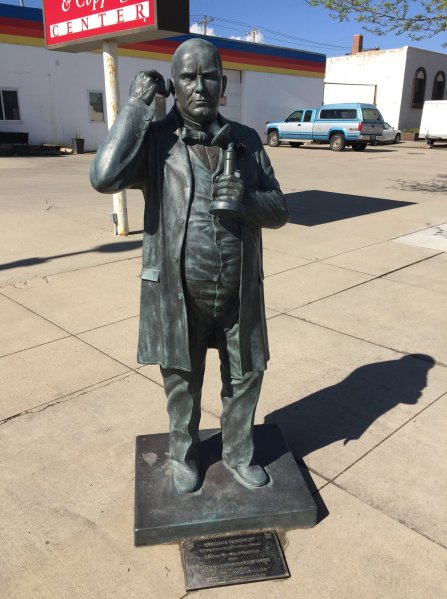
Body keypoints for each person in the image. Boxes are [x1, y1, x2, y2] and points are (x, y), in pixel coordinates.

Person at [91, 38, 289, 494]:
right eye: (188, 77)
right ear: (173, 84)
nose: (200, 87)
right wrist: (138, 107)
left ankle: (239, 453)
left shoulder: (246, 139)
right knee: (181, 381)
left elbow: (280, 209)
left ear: (223, 84)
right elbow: (104, 176)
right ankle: (184, 456)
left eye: (209, 77)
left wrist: (247, 201)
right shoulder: (155, 141)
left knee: (246, 375)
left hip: (239, 289)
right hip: (179, 291)